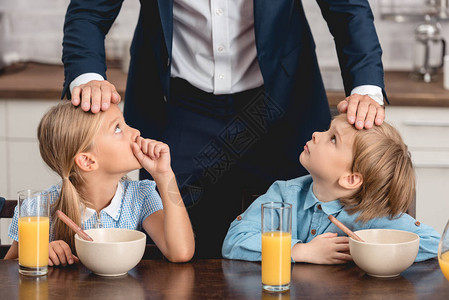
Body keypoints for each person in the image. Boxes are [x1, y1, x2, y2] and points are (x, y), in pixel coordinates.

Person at [62, 1, 388, 258]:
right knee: (177, 243)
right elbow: (90, 10)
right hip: (177, 102)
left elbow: (347, 9)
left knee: (301, 224)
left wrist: (367, 89)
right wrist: (88, 77)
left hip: (279, 98)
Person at [222, 114, 440, 263]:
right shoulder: (283, 194)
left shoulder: (372, 218)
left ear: (351, 179)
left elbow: (435, 245)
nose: (317, 134)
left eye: (333, 139)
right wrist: (300, 251)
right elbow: (234, 240)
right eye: (328, 130)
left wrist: (366, 252)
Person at [4, 102, 195, 265]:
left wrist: (164, 175)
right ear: (87, 161)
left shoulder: (141, 196)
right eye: (118, 128)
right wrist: (38, 254)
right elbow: (8, 269)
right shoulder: (39, 208)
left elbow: (180, 252)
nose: (136, 132)